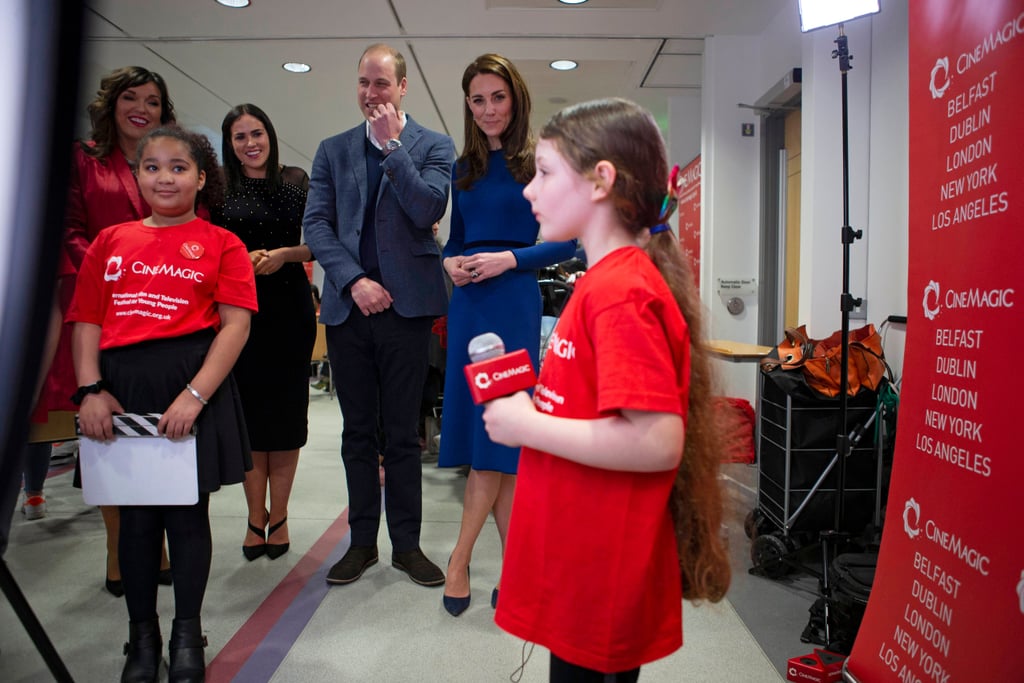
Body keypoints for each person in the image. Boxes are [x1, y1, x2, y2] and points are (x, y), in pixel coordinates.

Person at [481, 98, 731, 681]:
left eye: (544, 173)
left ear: (601, 181)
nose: (528, 191)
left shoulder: (619, 291)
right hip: (583, 558)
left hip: (601, 567)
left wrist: (526, 425)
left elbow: (657, 441)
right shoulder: (604, 282)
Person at [68, 126, 257, 683]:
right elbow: (86, 320)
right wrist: (89, 390)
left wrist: (196, 395)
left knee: (186, 516)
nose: (164, 177)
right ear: (137, 174)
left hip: (191, 386)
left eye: (178, 167)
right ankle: (142, 636)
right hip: (120, 389)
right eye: (152, 167)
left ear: (201, 177)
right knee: (135, 522)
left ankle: (186, 635)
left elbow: (235, 326)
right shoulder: (109, 242)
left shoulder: (224, 243)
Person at [304, 43, 455, 588]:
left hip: (408, 311)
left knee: (403, 433)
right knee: (356, 433)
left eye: (382, 84)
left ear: (403, 87)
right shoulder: (333, 150)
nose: (371, 94)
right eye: (364, 83)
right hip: (350, 308)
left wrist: (394, 148)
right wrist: (356, 280)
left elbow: (427, 209)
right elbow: (317, 226)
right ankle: (362, 542)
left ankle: (407, 546)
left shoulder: (433, 146)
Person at [438, 54, 575, 617]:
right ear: (468, 106)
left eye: (497, 97)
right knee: (492, 443)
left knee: (498, 443)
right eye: (477, 99)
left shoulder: (544, 160)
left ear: (514, 99)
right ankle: (517, 566)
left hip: (512, 303)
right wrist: (450, 263)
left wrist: (509, 259)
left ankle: (460, 559)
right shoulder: (462, 166)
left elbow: (568, 243)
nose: (488, 108)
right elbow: (454, 240)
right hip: (469, 305)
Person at [55, 65, 178, 595]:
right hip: (101, 313)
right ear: (111, 104)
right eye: (132, 98)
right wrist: (115, 272)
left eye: (152, 101)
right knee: (107, 429)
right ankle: (117, 546)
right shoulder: (84, 160)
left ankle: (161, 544)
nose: (142, 109)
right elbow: (69, 231)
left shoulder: (168, 163)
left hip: (163, 312)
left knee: (157, 429)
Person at [216, 103, 316, 562]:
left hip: (289, 309)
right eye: (240, 137)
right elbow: (207, 247)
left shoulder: (296, 180)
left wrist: (284, 255)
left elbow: (319, 238)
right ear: (230, 144)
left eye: (257, 133)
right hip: (240, 314)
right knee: (252, 423)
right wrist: (243, 262)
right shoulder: (218, 187)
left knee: (287, 422)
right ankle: (255, 517)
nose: (250, 143)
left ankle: (281, 516)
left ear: (270, 135)